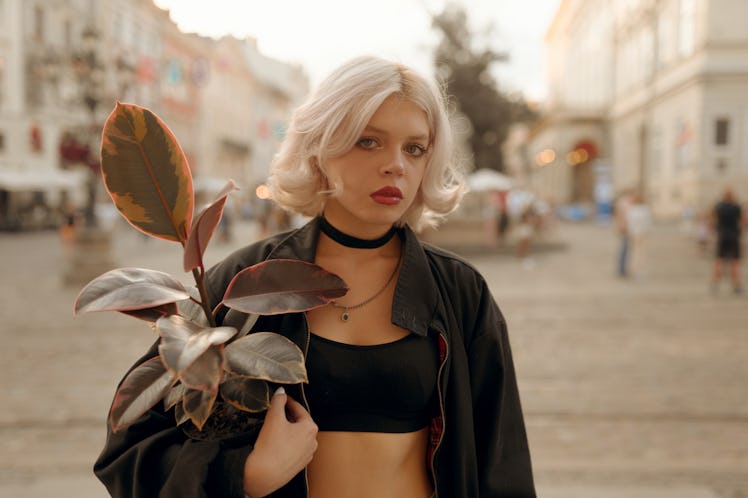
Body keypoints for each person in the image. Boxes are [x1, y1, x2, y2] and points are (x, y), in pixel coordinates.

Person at [94, 55, 536, 498]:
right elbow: (128, 449)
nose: (395, 165)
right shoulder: (243, 283)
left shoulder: (461, 294)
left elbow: (503, 465)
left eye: (414, 148)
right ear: (320, 149)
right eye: (368, 141)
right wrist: (243, 475)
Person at [710, 188, 744, 294]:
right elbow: (743, 220)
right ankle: (736, 285)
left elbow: (712, 220)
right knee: (735, 262)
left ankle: (715, 284)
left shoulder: (719, 207)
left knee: (719, 261)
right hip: (734, 236)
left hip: (722, 236)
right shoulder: (736, 206)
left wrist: (717, 228)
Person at [624, 192, 652, 278]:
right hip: (643, 233)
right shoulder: (645, 209)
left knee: (635, 252)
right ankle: (640, 270)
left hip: (634, 233)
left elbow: (629, 222)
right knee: (642, 252)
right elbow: (648, 222)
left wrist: (630, 231)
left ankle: (634, 269)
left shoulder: (632, 209)